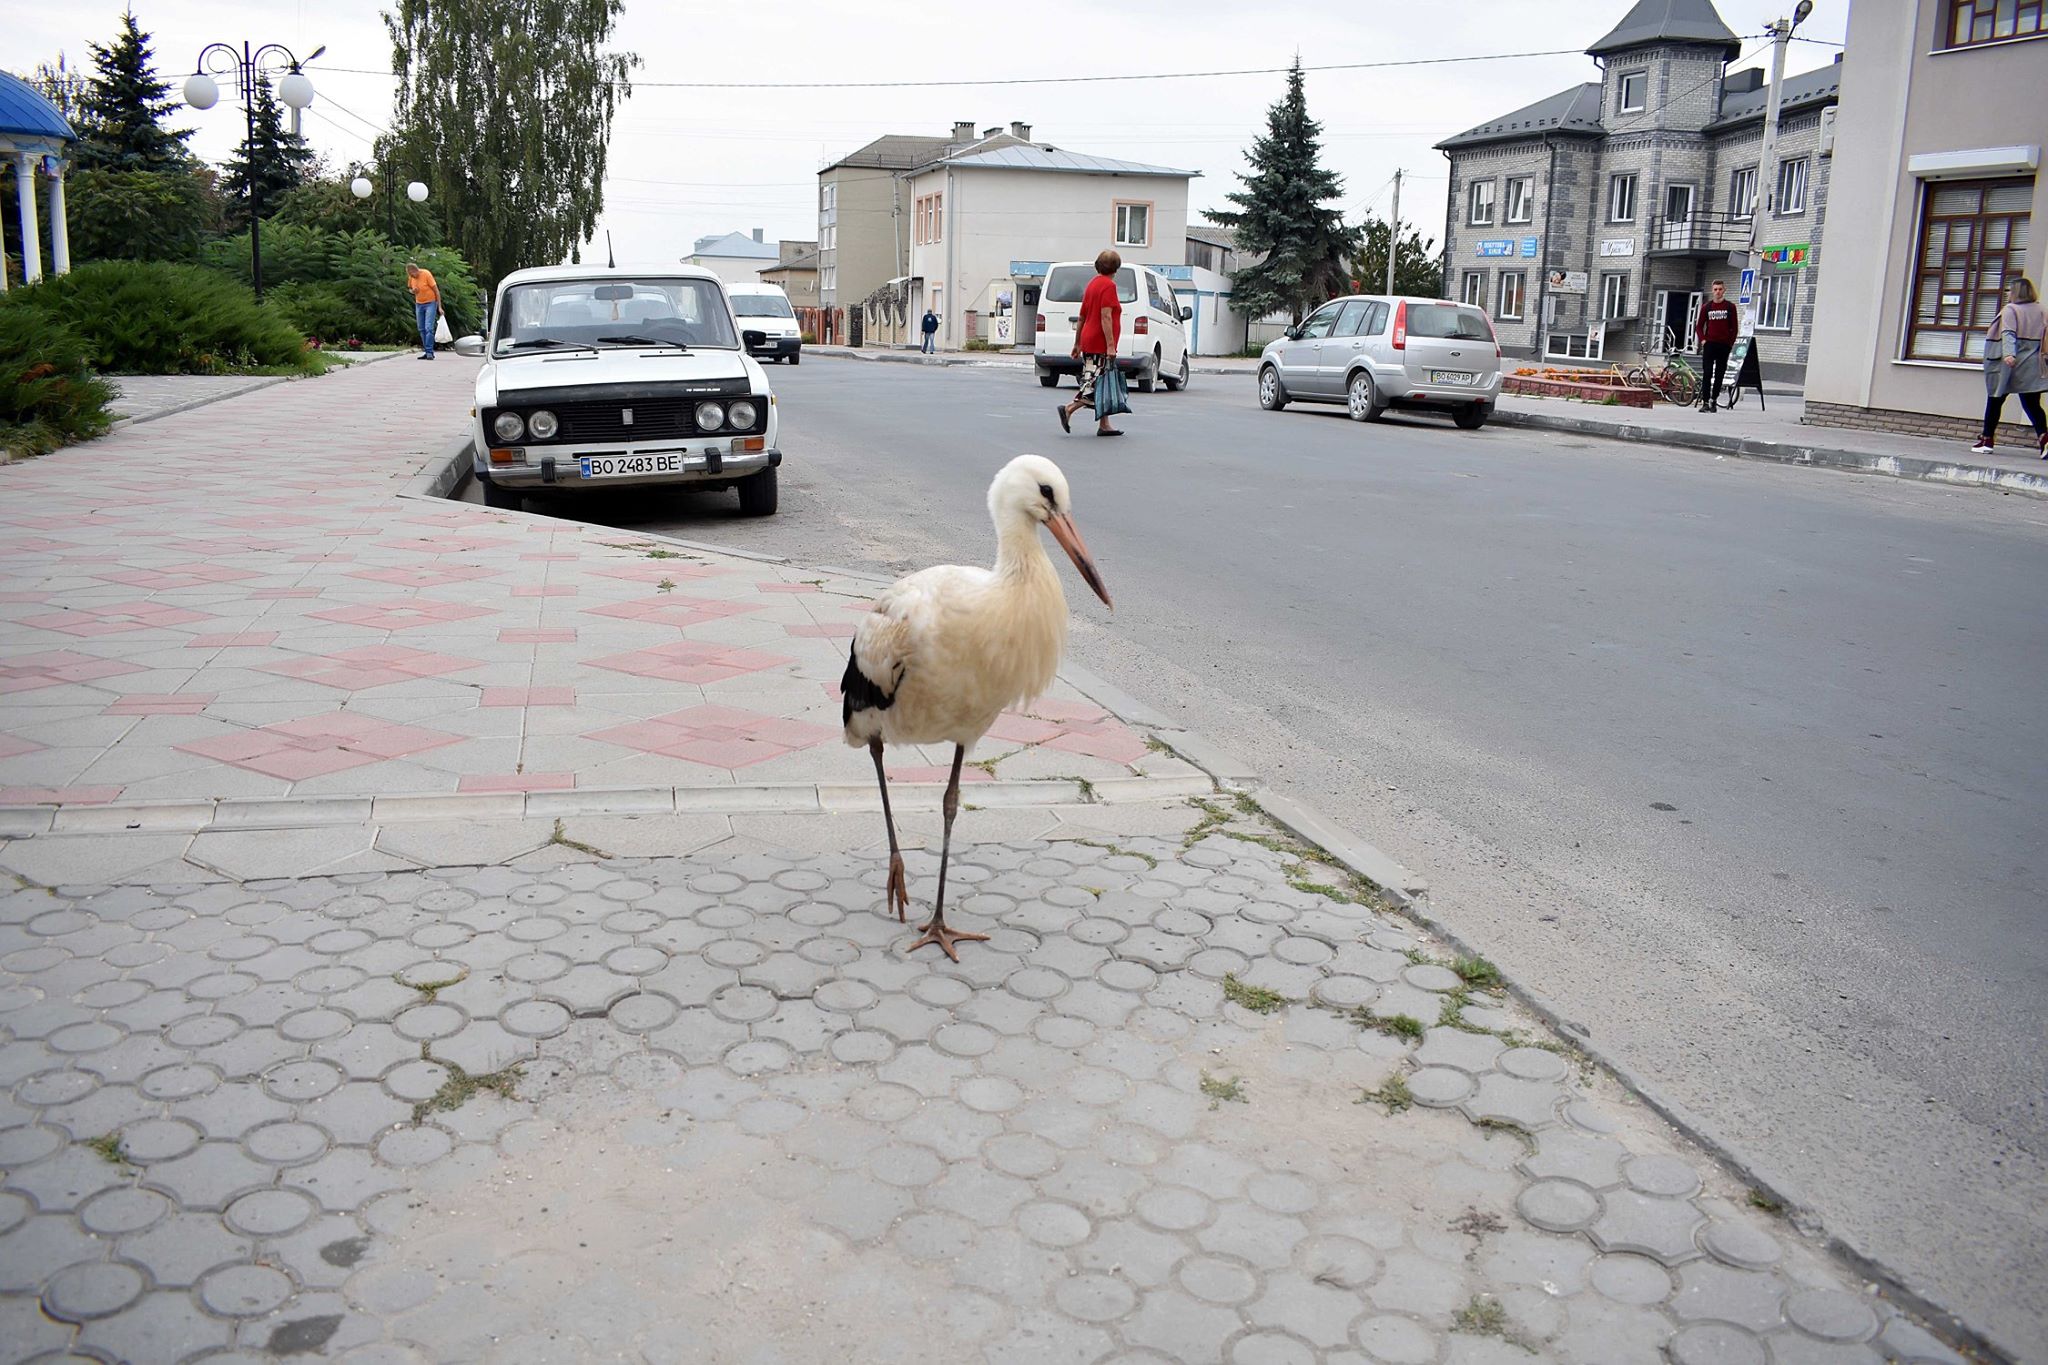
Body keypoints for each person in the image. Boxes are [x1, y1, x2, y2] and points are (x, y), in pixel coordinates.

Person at [1973, 276, 2047, 457]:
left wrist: (2008, 354)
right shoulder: (2042, 309)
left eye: (2009, 290)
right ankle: (2045, 439)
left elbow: (2008, 333)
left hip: (2010, 364)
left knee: (1995, 399)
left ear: (2016, 292)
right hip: (2033, 363)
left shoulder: (2010, 310)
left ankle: (1987, 440)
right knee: (2032, 404)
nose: (2007, 293)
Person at [1056, 249, 1124, 438]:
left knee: (1101, 380)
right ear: (1115, 268)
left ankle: (1105, 424)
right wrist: (1110, 345)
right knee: (1096, 382)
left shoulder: (1092, 284)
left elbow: (1082, 316)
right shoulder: (1108, 286)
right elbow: (1106, 317)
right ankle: (1069, 409)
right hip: (1099, 343)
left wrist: (1077, 343)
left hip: (1089, 339)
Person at [1694, 280, 1738, 412]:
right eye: (1715, 289)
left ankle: (1714, 400)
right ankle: (1705, 401)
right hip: (1709, 345)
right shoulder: (1707, 307)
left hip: (1723, 345)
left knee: (1719, 374)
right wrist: (1703, 341)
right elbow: (1699, 326)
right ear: (1712, 291)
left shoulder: (1730, 307)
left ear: (1724, 290)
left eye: (1720, 289)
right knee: (1707, 373)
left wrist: (1730, 344)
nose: (1718, 292)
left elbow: (1734, 328)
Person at [407, 262, 440, 360]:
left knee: (428, 328)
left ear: (416, 270)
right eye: (410, 275)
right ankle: (426, 351)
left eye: (413, 274)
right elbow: (409, 288)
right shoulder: (411, 277)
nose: (412, 276)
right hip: (419, 304)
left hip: (430, 303)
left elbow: (436, 291)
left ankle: (429, 352)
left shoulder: (426, 274)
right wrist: (413, 291)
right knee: (421, 328)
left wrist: (440, 307)